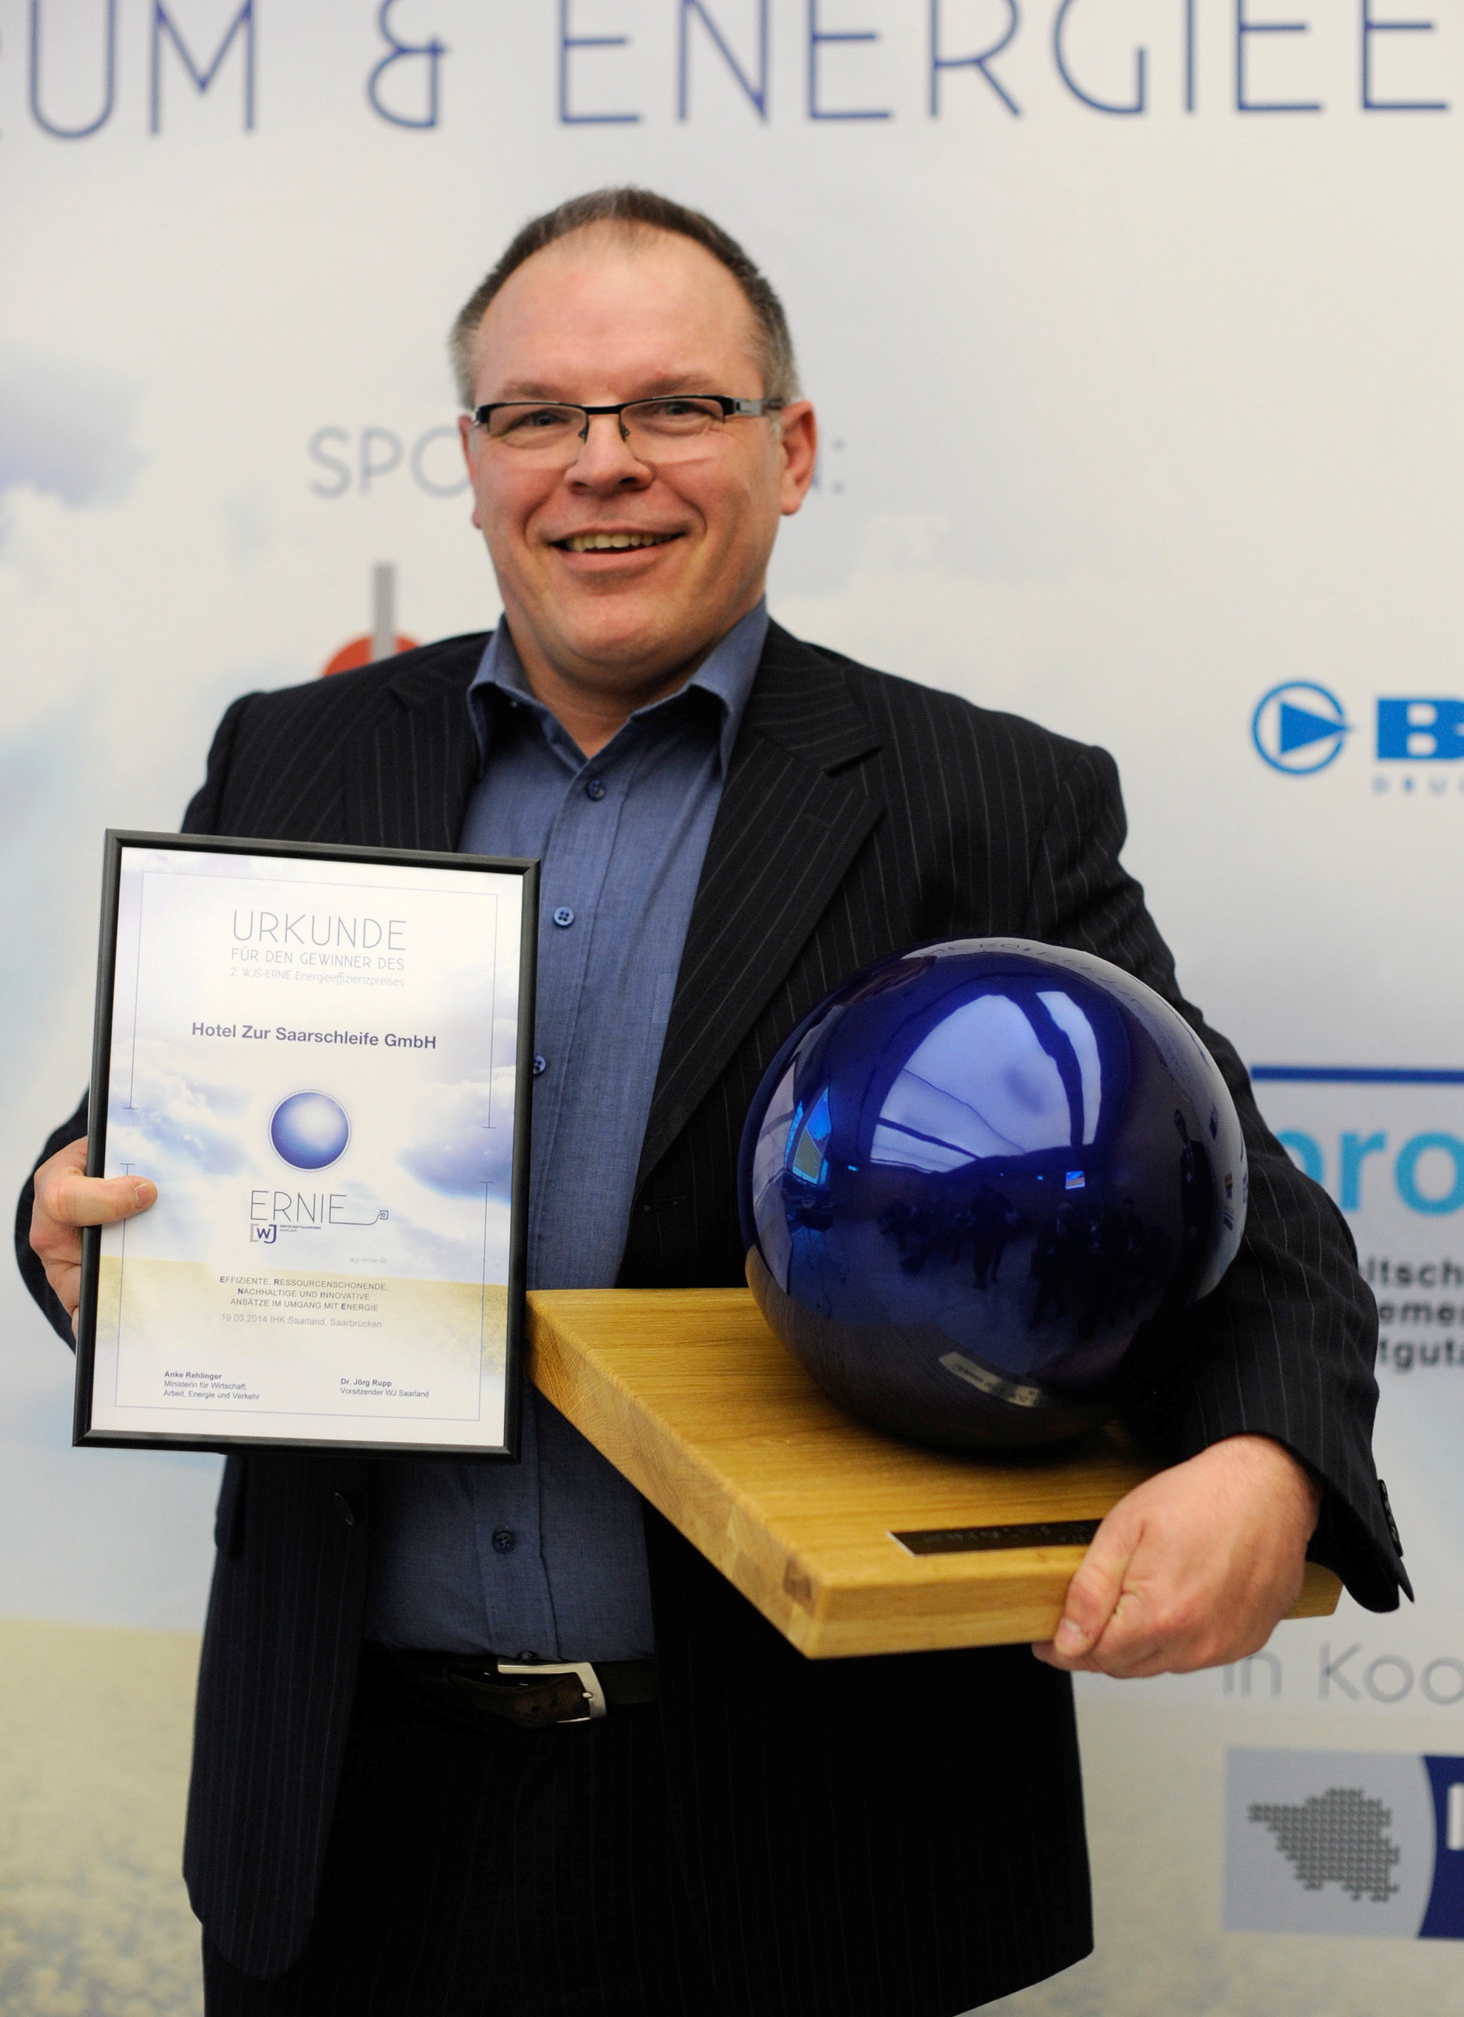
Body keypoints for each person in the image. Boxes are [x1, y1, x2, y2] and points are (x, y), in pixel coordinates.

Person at [18, 188, 1406, 2017]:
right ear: (475, 459)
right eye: (539, 415)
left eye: (675, 406)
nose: (601, 463)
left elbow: (1229, 1192)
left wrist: (1265, 1459)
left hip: (799, 1831)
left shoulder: (983, 795)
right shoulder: (296, 748)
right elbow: (150, 1140)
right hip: (349, 1823)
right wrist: (67, 1214)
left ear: (792, 450)